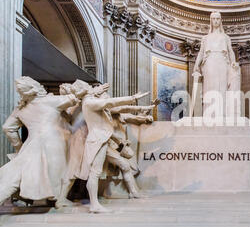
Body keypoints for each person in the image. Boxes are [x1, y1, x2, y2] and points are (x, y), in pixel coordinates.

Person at [0, 77, 78, 206]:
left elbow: (7, 128)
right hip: (53, 142)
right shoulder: (50, 101)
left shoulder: (20, 108)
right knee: (54, 171)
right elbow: (73, 98)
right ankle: (57, 199)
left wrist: (18, 147)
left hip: (31, 142)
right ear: (36, 87)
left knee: (19, 174)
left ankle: (53, 198)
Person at [75, 80, 150, 213]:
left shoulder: (94, 103)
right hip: (97, 140)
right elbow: (110, 103)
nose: (98, 90)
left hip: (103, 140)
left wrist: (140, 107)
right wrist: (132, 98)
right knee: (95, 172)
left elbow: (117, 109)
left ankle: (130, 193)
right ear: (87, 91)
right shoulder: (89, 102)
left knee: (114, 168)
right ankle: (94, 205)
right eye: (91, 88)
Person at [193, 11, 241, 118]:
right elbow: (201, 52)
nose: (216, 21)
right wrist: (196, 65)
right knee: (209, 88)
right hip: (209, 63)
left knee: (222, 87)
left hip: (223, 63)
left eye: (218, 19)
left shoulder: (226, 37)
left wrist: (233, 62)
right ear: (211, 21)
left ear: (220, 21)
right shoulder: (205, 38)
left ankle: (222, 114)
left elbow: (230, 51)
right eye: (213, 19)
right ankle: (209, 114)